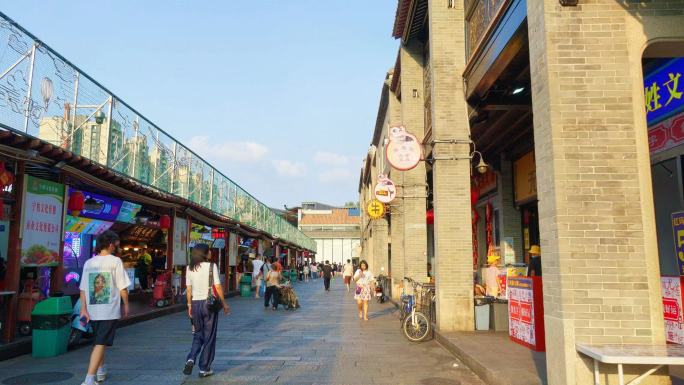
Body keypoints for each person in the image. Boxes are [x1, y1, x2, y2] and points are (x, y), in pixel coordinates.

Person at [79, 231, 130, 385]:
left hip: (92, 309)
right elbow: (122, 287)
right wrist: (126, 304)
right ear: (110, 244)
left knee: (98, 341)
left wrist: (83, 309)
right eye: (116, 244)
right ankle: (89, 378)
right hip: (109, 310)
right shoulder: (115, 262)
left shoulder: (89, 262)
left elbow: (83, 289)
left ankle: (100, 370)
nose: (116, 247)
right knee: (101, 343)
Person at [183, 243, 230, 378]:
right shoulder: (211, 266)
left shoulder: (189, 268)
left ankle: (191, 358)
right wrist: (224, 304)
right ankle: (204, 368)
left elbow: (189, 290)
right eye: (209, 251)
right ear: (204, 253)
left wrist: (189, 306)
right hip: (209, 304)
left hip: (195, 304)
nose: (211, 253)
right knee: (209, 337)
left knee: (198, 334)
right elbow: (218, 286)